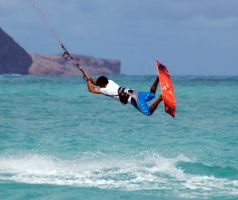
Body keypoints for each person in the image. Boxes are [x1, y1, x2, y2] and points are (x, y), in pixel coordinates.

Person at [83, 73, 163, 116]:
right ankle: (157, 78)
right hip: (134, 92)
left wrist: (87, 80)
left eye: (100, 85)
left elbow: (91, 89)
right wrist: (89, 78)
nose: (99, 85)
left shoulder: (105, 90)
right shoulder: (110, 81)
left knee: (148, 112)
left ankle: (160, 98)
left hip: (133, 99)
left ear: (102, 84)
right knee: (152, 95)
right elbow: (96, 82)